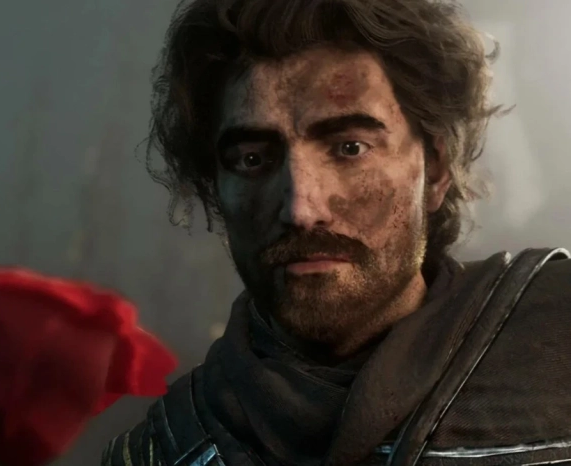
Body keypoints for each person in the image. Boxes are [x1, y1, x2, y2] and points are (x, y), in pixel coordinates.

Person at [102, 0, 571, 465]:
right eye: (252, 159)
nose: (301, 210)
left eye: (350, 148)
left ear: (435, 170)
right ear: (215, 186)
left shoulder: (556, 335)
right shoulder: (160, 454)